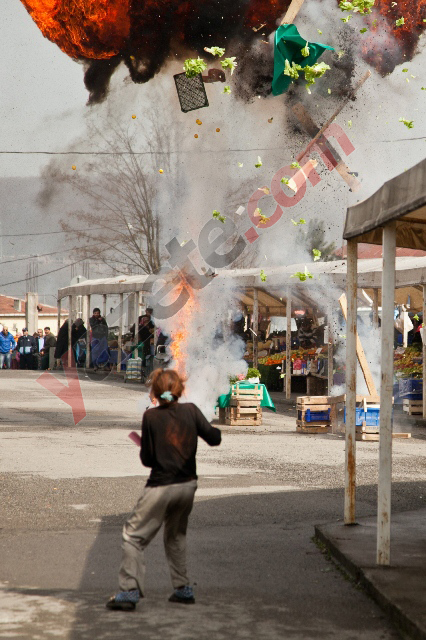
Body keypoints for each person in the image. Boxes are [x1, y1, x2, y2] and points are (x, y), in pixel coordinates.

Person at [106, 368, 221, 611]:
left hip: (161, 486)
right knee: (176, 536)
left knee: (133, 536)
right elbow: (214, 438)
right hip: (187, 485)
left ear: (155, 392)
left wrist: (149, 446)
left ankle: (128, 592)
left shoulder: (151, 417)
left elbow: (147, 460)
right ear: (180, 389)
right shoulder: (191, 411)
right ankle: (183, 589)